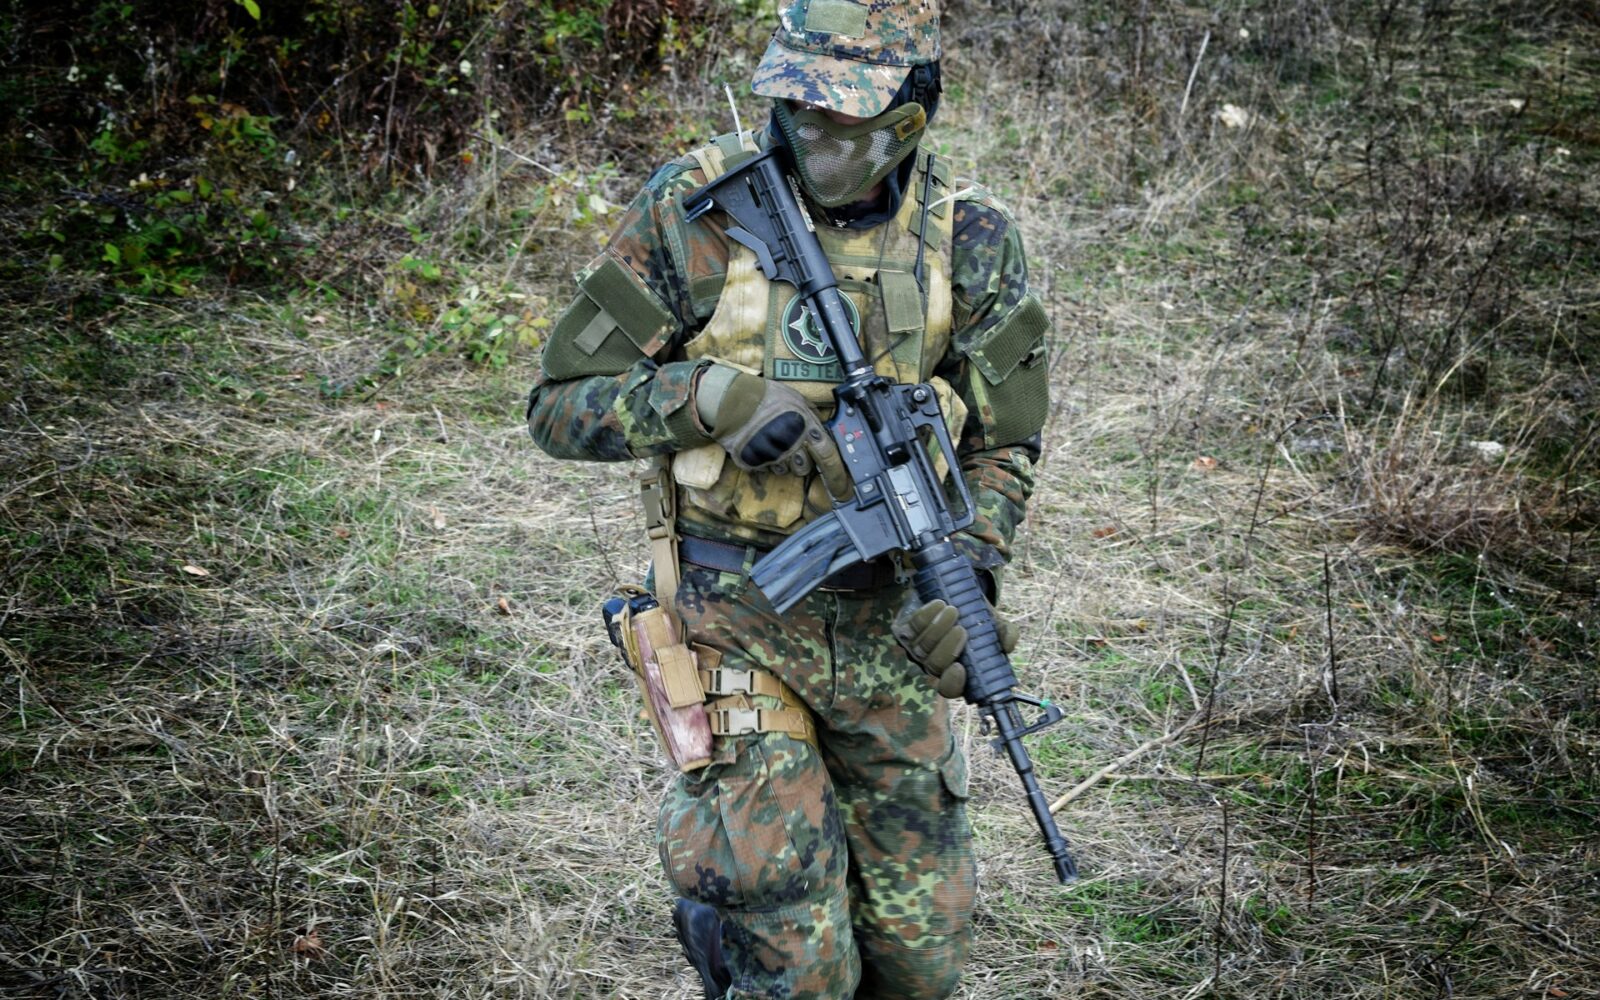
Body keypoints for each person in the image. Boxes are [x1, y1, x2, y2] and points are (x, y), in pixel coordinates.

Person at [525, 2, 1052, 996]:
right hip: (735, 611)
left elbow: (1004, 442)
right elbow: (555, 406)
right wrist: (703, 398)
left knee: (921, 964)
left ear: (907, 121)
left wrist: (971, 572)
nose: (807, 131)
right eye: (794, 103)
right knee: (794, 952)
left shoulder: (969, 237)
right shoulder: (699, 208)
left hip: (891, 631)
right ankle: (740, 934)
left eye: (838, 116)